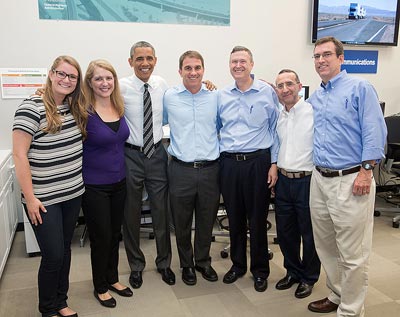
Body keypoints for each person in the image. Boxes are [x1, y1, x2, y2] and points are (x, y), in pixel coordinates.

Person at [307, 36, 387, 316]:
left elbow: (375, 132)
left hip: (352, 179)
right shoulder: (316, 97)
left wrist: (366, 172)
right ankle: (338, 293)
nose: (321, 61)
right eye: (316, 56)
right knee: (325, 245)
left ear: (341, 58)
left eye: (326, 55)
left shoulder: (360, 88)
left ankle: (351, 311)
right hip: (320, 180)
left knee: (353, 252)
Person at [13, 55, 87, 317]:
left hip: (72, 193)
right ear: (51, 74)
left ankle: (61, 301)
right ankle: (47, 308)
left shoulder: (74, 106)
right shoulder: (30, 107)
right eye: (62, 74)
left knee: (65, 250)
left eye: (72, 76)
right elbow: (19, 155)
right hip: (43, 198)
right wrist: (30, 198)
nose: (66, 80)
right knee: (53, 255)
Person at [218, 46, 279, 292]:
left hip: (258, 163)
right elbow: (216, 127)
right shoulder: (222, 95)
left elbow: (276, 129)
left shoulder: (268, 92)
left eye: (243, 61)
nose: (238, 65)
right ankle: (237, 265)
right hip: (230, 164)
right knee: (233, 218)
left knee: (257, 219)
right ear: (229, 65)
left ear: (251, 64)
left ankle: (260, 271)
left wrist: (274, 163)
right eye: (234, 61)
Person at [119, 41, 175, 288]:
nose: (145, 63)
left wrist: (207, 86)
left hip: (157, 154)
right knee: (130, 214)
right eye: (139, 59)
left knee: (161, 212)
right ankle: (136, 266)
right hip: (130, 155)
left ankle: (164, 263)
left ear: (155, 60)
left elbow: (182, 101)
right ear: (130, 61)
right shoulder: (119, 87)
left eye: (149, 58)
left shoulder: (162, 85)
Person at [163, 50, 219, 286]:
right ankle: (187, 265)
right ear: (180, 71)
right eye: (188, 68)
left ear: (203, 70)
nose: (193, 72)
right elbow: (160, 120)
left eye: (197, 68)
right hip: (180, 169)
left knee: (207, 220)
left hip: (210, 169)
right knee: (182, 222)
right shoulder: (169, 97)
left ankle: (203, 262)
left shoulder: (216, 97)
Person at [80, 60, 132, 308]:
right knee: (100, 238)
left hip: (119, 182)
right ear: (90, 82)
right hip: (94, 186)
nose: (104, 83)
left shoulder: (118, 106)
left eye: (109, 78)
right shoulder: (82, 110)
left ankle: (112, 278)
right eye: (99, 79)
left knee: (114, 234)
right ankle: (100, 286)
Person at [274, 69, 320, 299]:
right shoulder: (278, 114)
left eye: (289, 84)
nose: (285, 89)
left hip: (307, 181)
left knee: (309, 234)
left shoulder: (313, 111)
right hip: (283, 181)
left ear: (299, 86)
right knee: (285, 232)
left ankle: (309, 277)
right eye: (280, 86)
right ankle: (292, 271)